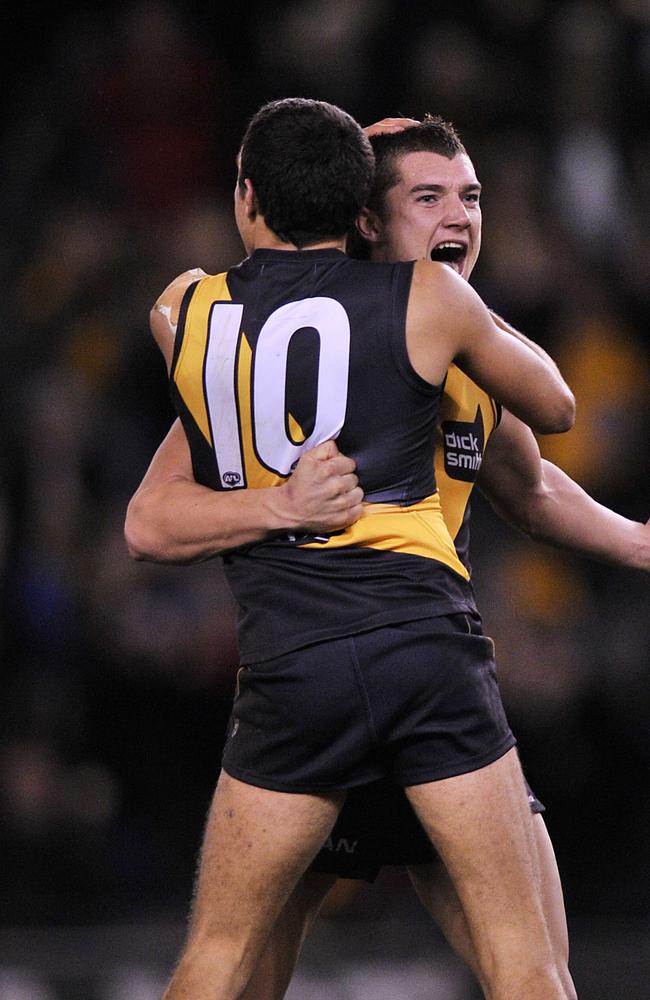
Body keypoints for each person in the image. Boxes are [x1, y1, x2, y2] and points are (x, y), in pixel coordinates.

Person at [126, 97, 578, 1000]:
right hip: (425, 643)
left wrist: (277, 503)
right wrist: (454, 297)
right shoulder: (431, 303)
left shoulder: (187, 313)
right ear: (363, 211)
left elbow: (148, 525)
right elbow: (558, 409)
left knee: (219, 958)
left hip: (295, 659)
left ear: (246, 197)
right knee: (526, 962)